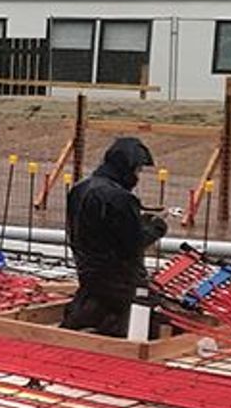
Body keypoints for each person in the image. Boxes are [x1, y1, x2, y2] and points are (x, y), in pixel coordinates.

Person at [60, 137, 170, 336]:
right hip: (121, 278)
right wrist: (157, 227)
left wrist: (140, 220)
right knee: (156, 315)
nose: (137, 176)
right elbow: (132, 243)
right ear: (128, 167)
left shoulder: (80, 189)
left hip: (89, 273)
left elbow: (102, 229)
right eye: (137, 170)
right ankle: (113, 333)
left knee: (96, 301)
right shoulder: (120, 198)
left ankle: (82, 321)